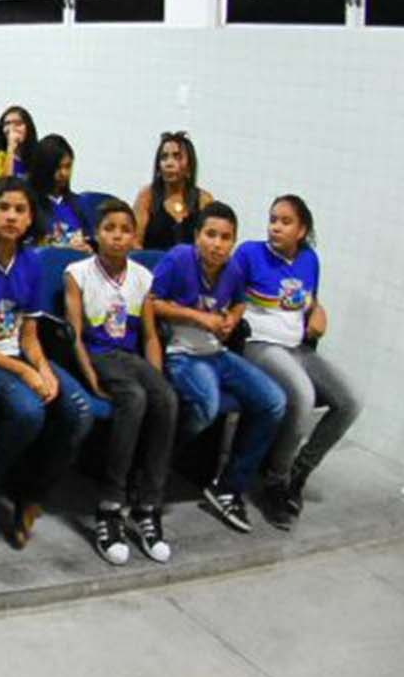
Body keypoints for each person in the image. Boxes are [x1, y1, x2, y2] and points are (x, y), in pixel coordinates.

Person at [0, 178, 94, 552]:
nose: (11, 216)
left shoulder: (31, 262)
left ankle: (30, 495)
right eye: (4, 208)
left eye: (20, 210)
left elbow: (29, 334)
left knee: (78, 410)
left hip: (18, 355)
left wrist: (41, 367)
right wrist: (26, 373)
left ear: (31, 219)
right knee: (28, 412)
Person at [152, 203, 286, 534]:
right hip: (182, 352)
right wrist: (199, 318)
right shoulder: (179, 258)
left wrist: (233, 319)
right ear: (197, 236)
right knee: (207, 406)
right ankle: (156, 458)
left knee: (274, 401)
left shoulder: (233, 268)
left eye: (226, 237)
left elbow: (240, 300)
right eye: (210, 235)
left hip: (216, 352)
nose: (218, 244)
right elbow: (151, 302)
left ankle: (228, 487)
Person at [63, 199, 178, 566]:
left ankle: (148, 506)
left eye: (125, 230)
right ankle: (110, 506)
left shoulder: (143, 277)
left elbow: (149, 336)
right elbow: (74, 334)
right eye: (109, 229)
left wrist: (157, 376)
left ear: (134, 237)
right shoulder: (77, 272)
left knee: (166, 399)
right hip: (99, 355)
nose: (117, 236)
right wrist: (91, 376)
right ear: (97, 234)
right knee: (133, 399)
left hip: (130, 357)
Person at [238, 195, 359, 529]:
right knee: (303, 396)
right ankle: (275, 480)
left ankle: (298, 473)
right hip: (259, 344)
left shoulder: (309, 259)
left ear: (302, 229)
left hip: (298, 347)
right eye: (273, 219)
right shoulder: (250, 253)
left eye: (285, 221)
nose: (276, 226)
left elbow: (311, 301)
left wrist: (318, 313)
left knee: (350, 401)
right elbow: (228, 296)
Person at [134, 131, 212, 251]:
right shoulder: (147, 196)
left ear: (190, 166)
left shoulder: (203, 199)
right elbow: (135, 243)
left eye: (177, 157)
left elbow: (208, 244)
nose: (169, 163)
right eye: (164, 157)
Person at [23, 133, 91, 249]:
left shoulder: (78, 203)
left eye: (68, 166)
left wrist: (88, 247)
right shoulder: (26, 202)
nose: (64, 173)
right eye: (58, 167)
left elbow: (91, 239)